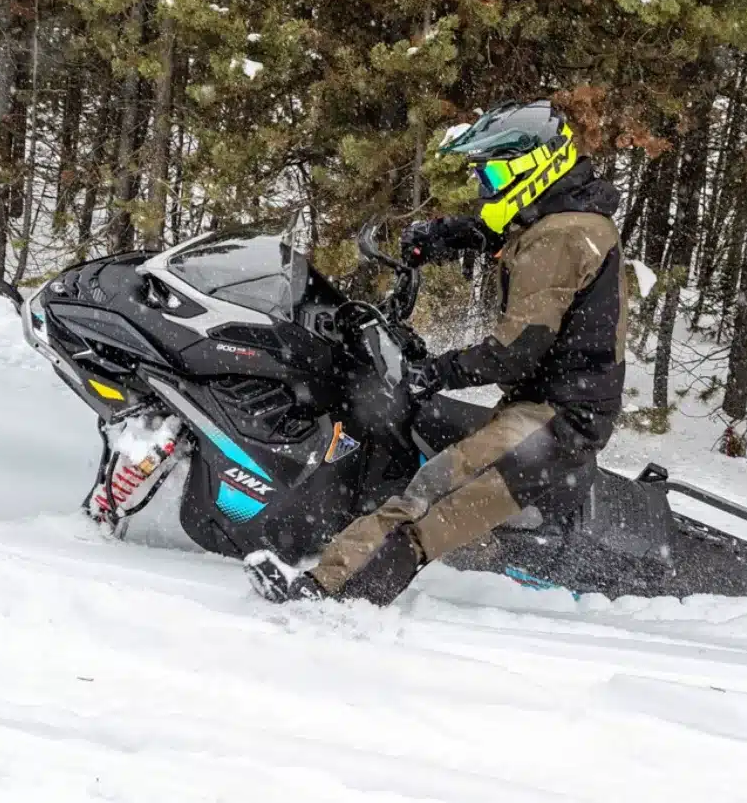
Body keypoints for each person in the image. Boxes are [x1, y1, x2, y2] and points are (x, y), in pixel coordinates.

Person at [245, 98, 627, 605]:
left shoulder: (561, 237)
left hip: (559, 418)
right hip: (554, 404)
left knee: (431, 494)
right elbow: (509, 231)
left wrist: (436, 371)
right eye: (483, 176)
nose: (486, 186)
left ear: (533, 167)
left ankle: (328, 592)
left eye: (493, 174)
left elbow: (516, 351)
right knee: (428, 460)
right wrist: (447, 236)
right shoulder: (565, 215)